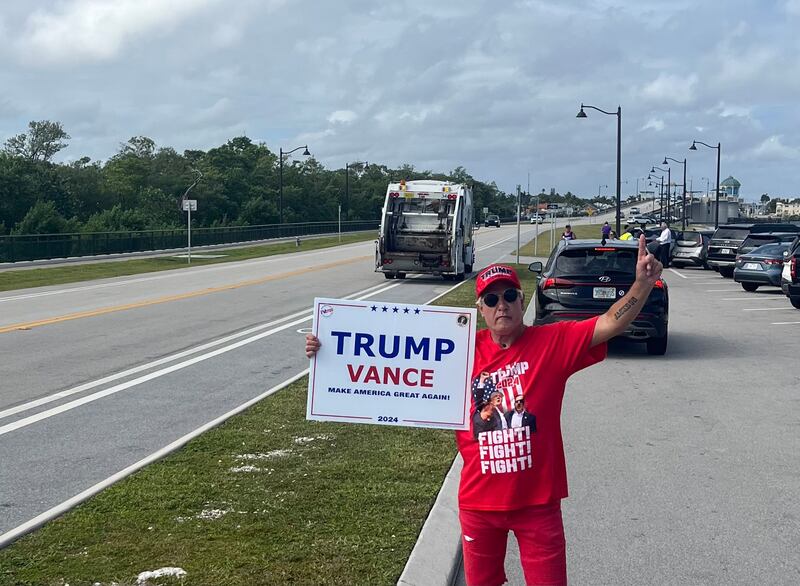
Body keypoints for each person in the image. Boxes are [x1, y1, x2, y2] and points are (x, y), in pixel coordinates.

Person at [304, 237, 663, 586]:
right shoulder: (457, 350)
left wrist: (641, 285)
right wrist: (329, 346)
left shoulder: (552, 342)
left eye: (509, 296)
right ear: (480, 307)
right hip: (479, 505)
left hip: (537, 504)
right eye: (491, 299)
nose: (501, 305)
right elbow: (385, 360)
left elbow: (609, 323)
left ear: (523, 300)